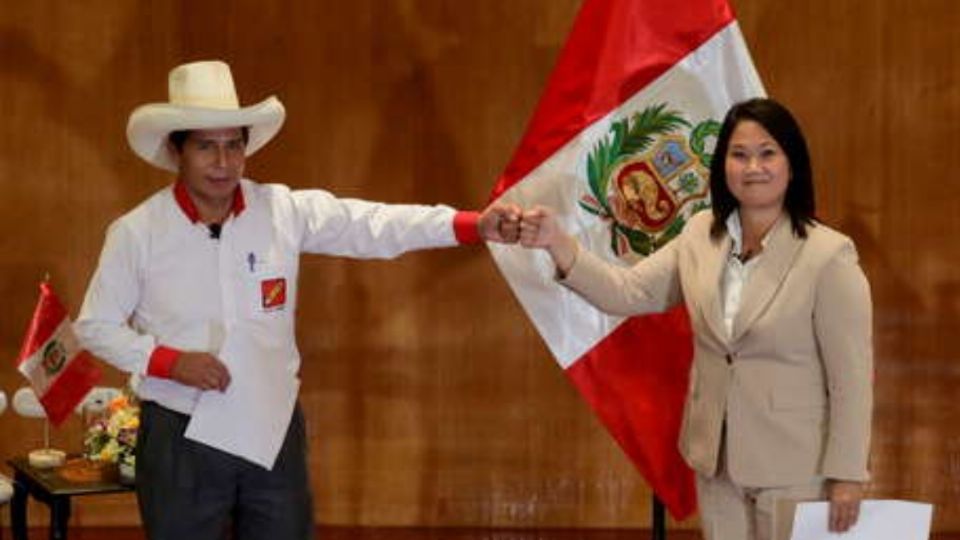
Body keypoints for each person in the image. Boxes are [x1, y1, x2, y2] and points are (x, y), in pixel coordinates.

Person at [75, 60, 520, 540]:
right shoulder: (137, 232)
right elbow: (94, 324)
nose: (223, 163)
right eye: (206, 147)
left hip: (272, 428)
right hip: (180, 431)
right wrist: (167, 361)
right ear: (176, 150)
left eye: (233, 146)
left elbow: (371, 224)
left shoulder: (282, 209)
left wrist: (475, 225)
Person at [518, 98, 872, 540]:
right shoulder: (699, 233)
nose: (753, 167)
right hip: (714, 459)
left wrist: (848, 475)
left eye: (767, 153)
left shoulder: (829, 255)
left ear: (792, 163)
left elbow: (851, 379)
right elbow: (628, 292)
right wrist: (558, 242)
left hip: (797, 466)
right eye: (739, 155)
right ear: (722, 164)